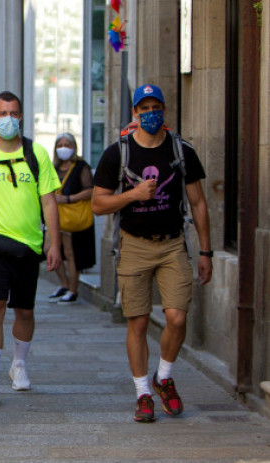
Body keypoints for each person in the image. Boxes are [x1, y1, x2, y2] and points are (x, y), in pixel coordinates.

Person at [92, 84, 212, 423]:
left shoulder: (181, 151)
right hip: (133, 243)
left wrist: (206, 251)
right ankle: (143, 392)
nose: (150, 114)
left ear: (164, 110)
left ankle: (165, 377)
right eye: (143, 109)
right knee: (139, 321)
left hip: (172, 243)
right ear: (135, 113)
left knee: (177, 316)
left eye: (155, 107)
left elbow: (199, 203)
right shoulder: (119, 153)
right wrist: (132, 196)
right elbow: (98, 204)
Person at [0, 91, 61, 407]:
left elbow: (48, 200)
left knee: (24, 310)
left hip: (28, 247)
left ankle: (19, 365)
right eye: (2, 113)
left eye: (14, 113)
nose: (8, 118)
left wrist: (54, 242)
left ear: (21, 116)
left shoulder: (36, 153)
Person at [46, 132, 95, 304]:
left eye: (67, 145)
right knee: (48, 249)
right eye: (60, 145)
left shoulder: (81, 166)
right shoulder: (54, 167)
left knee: (70, 252)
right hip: (55, 217)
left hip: (72, 217)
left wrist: (68, 199)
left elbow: (90, 190)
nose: (63, 148)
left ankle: (73, 290)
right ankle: (64, 284)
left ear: (74, 147)